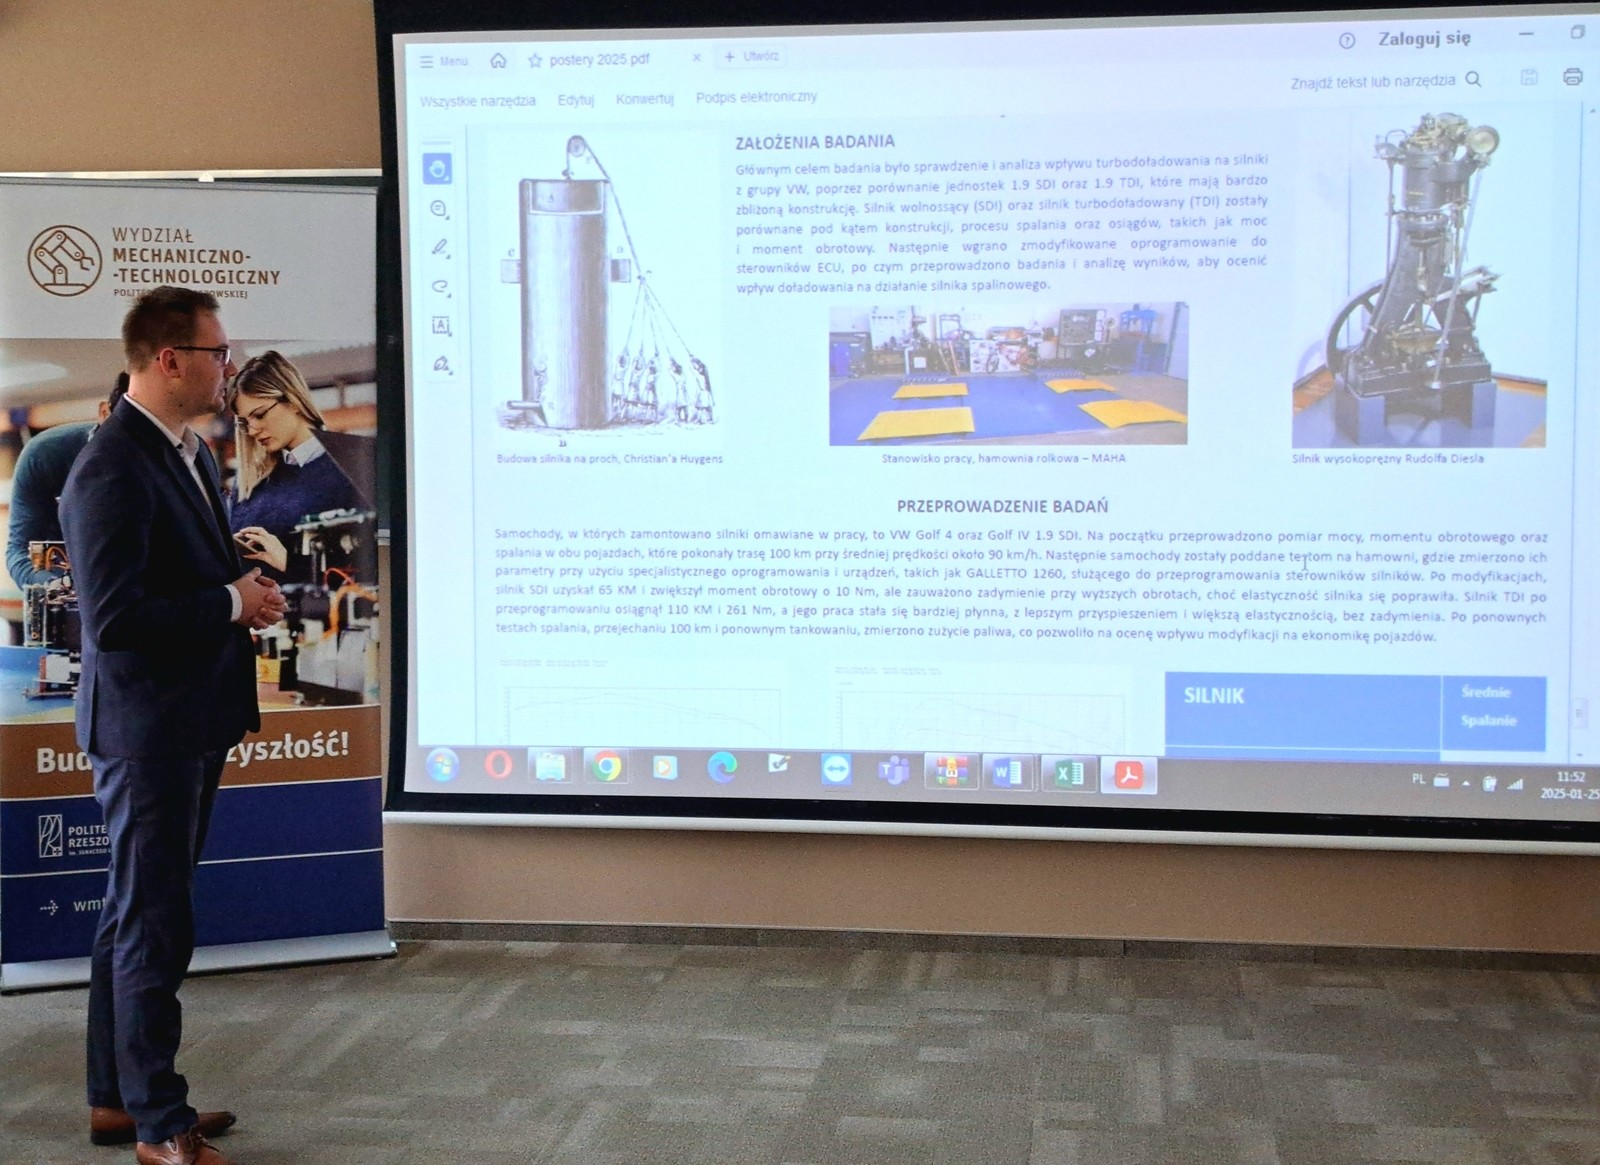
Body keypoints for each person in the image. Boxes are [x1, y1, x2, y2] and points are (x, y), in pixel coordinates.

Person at [60, 286, 285, 1165]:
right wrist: (229, 601)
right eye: (217, 352)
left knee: (135, 915)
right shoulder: (110, 465)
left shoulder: (185, 451)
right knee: (154, 923)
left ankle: (117, 1098)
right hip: (146, 729)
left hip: (187, 718)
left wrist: (245, 593)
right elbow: (115, 618)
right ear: (168, 359)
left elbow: (182, 572)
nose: (229, 366)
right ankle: (160, 1123)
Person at [226, 350, 365, 586]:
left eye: (259, 415)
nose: (252, 430)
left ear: (292, 401)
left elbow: (371, 567)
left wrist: (290, 562)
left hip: (315, 607)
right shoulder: (250, 480)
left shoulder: (352, 465)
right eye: (244, 422)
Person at [4, 374, 129, 591]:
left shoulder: (176, 459)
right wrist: (57, 586)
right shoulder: (46, 455)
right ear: (104, 413)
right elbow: (20, 550)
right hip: (65, 591)